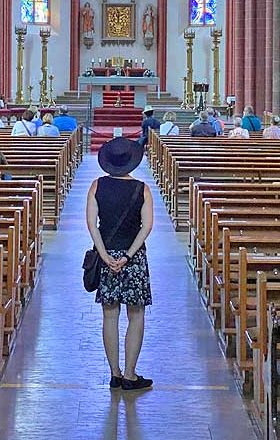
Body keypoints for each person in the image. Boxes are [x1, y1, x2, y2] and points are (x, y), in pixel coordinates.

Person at [86, 137, 154, 391]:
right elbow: (146, 226)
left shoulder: (96, 186)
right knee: (136, 315)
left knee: (109, 315)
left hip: (107, 255)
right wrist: (127, 256)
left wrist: (104, 255)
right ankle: (130, 374)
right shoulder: (142, 188)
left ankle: (114, 373)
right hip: (133, 258)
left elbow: (93, 224)